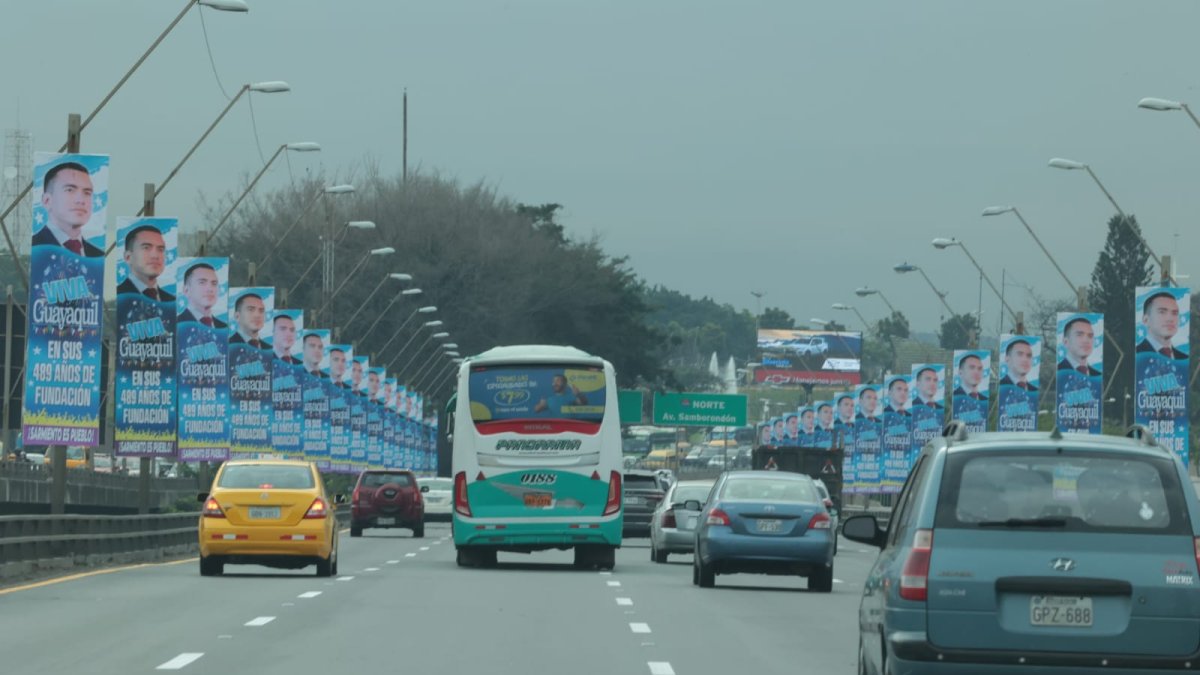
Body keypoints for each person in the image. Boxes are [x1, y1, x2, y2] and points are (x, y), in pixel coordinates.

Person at [33, 161, 103, 257]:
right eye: (70, 190)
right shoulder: (32, 249)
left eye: (87, 193)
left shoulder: (98, 257)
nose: (81, 200)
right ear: (47, 201)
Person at [117, 224, 174, 301]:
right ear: (128, 257)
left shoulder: (172, 302)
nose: (155, 255)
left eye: (160, 249)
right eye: (146, 248)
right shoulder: (116, 297)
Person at [1136, 292, 1186, 359]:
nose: (1170, 319)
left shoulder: (1184, 359)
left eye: (1174, 313)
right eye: (1162, 312)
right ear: (1146, 320)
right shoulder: (1135, 355)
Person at [178, 263, 227, 328]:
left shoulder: (224, 328)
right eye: (202, 282)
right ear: (186, 290)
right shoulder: (176, 325)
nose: (210, 289)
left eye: (214, 284)